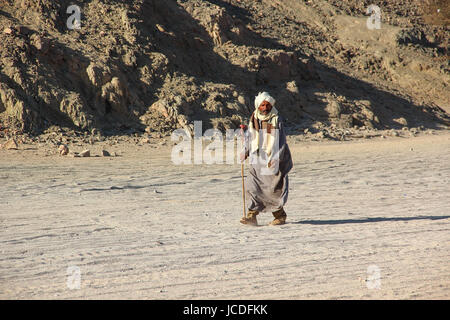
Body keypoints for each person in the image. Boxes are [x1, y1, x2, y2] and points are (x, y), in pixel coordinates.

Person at [240, 92, 293, 226]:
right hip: (256, 159)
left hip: (272, 158)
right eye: (262, 105)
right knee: (252, 186)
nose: (265, 108)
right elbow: (250, 137)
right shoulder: (254, 118)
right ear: (258, 105)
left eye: (267, 105)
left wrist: (276, 158)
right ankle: (251, 216)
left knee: (271, 190)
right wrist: (245, 151)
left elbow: (281, 141)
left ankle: (280, 215)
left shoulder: (276, 119)